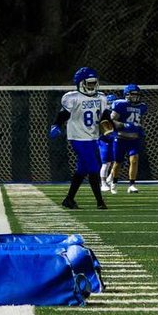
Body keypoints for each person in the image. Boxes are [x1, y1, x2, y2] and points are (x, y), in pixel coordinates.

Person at [49, 67, 108, 210]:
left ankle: (69, 199)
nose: (92, 86)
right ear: (81, 83)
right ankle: (100, 202)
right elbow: (64, 114)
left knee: (82, 169)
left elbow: (104, 117)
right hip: (78, 138)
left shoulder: (101, 97)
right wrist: (56, 125)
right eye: (89, 83)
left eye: (94, 83)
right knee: (93, 167)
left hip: (93, 137)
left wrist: (108, 131)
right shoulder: (73, 97)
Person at [111, 83, 148, 194]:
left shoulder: (142, 106)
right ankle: (114, 182)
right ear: (127, 95)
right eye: (133, 94)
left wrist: (139, 128)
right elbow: (111, 121)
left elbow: (140, 121)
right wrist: (122, 125)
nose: (135, 96)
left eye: (137, 94)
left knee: (134, 160)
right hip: (121, 138)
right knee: (118, 163)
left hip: (134, 139)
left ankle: (132, 185)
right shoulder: (120, 105)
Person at [98, 94, 119, 194]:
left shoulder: (118, 114)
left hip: (115, 139)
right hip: (104, 140)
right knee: (106, 163)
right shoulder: (103, 114)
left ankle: (110, 177)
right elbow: (106, 130)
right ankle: (103, 183)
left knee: (118, 160)